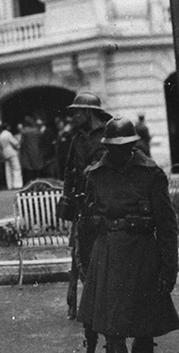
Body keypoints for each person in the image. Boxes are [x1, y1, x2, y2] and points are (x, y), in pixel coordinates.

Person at [78, 116, 179, 353]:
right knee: (113, 332)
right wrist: (86, 266)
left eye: (126, 147)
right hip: (107, 254)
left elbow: (167, 225)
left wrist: (169, 269)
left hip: (143, 256)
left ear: (135, 145)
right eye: (114, 147)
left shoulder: (151, 174)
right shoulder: (95, 175)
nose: (120, 153)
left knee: (144, 329)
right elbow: (85, 224)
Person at [58, 92, 110, 321]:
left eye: (78, 111)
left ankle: (103, 302)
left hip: (105, 204)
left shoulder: (109, 133)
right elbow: (69, 172)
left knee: (106, 254)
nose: (74, 116)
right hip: (81, 205)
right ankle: (82, 304)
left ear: (89, 112)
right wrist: (66, 199)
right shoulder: (76, 139)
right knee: (80, 253)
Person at [18, 116, 46, 184]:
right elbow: (41, 142)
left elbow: (21, 143)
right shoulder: (37, 131)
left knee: (28, 170)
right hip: (37, 152)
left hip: (27, 153)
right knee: (37, 169)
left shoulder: (24, 132)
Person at [0, 120, 22, 189]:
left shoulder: (0, 135)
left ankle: (9, 185)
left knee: (8, 170)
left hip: (5, 153)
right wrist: (18, 145)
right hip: (12, 152)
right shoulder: (8, 134)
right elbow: (14, 142)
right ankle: (17, 184)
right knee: (16, 168)